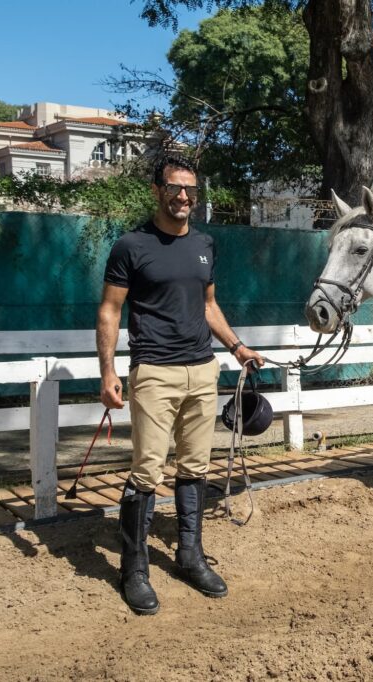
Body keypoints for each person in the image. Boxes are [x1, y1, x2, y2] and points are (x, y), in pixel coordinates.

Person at [96, 154, 264, 615]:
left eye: (191, 189)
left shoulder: (205, 244)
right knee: (147, 470)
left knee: (195, 467)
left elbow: (209, 305)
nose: (184, 196)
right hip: (153, 372)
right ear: (157, 190)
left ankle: (189, 556)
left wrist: (236, 347)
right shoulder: (131, 246)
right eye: (175, 188)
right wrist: (108, 372)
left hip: (202, 369)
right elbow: (110, 310)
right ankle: (134, 570)